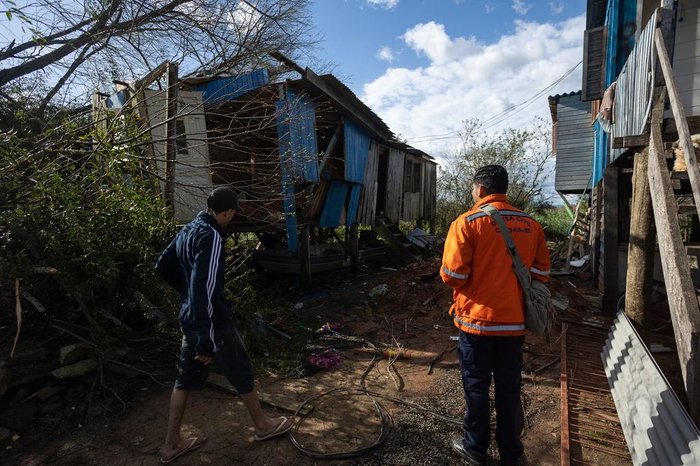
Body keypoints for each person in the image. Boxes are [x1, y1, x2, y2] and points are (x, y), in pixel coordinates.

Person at [155, 187, 293, 464]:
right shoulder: (212, 236)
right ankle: (263, 426)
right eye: (233, 213)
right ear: (228, 212)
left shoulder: (188, 229)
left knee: (184, 378)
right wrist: (205, 333)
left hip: (190, 319)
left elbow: (162, 267)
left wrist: (186, 299)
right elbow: (204, 289)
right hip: (211, 322)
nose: (232, 217)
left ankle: (171, 445)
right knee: (240, 368)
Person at [440, 165, 550, 466]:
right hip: (514, 324)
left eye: (473, 189)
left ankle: (475, 448)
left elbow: (452, 275)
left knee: (476, 387)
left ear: (481, 190)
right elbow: (541, 273)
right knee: (509, 388)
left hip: (476, 324)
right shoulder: (532, 225)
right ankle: (511, 453)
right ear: (505, 189)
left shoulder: (466, 223)